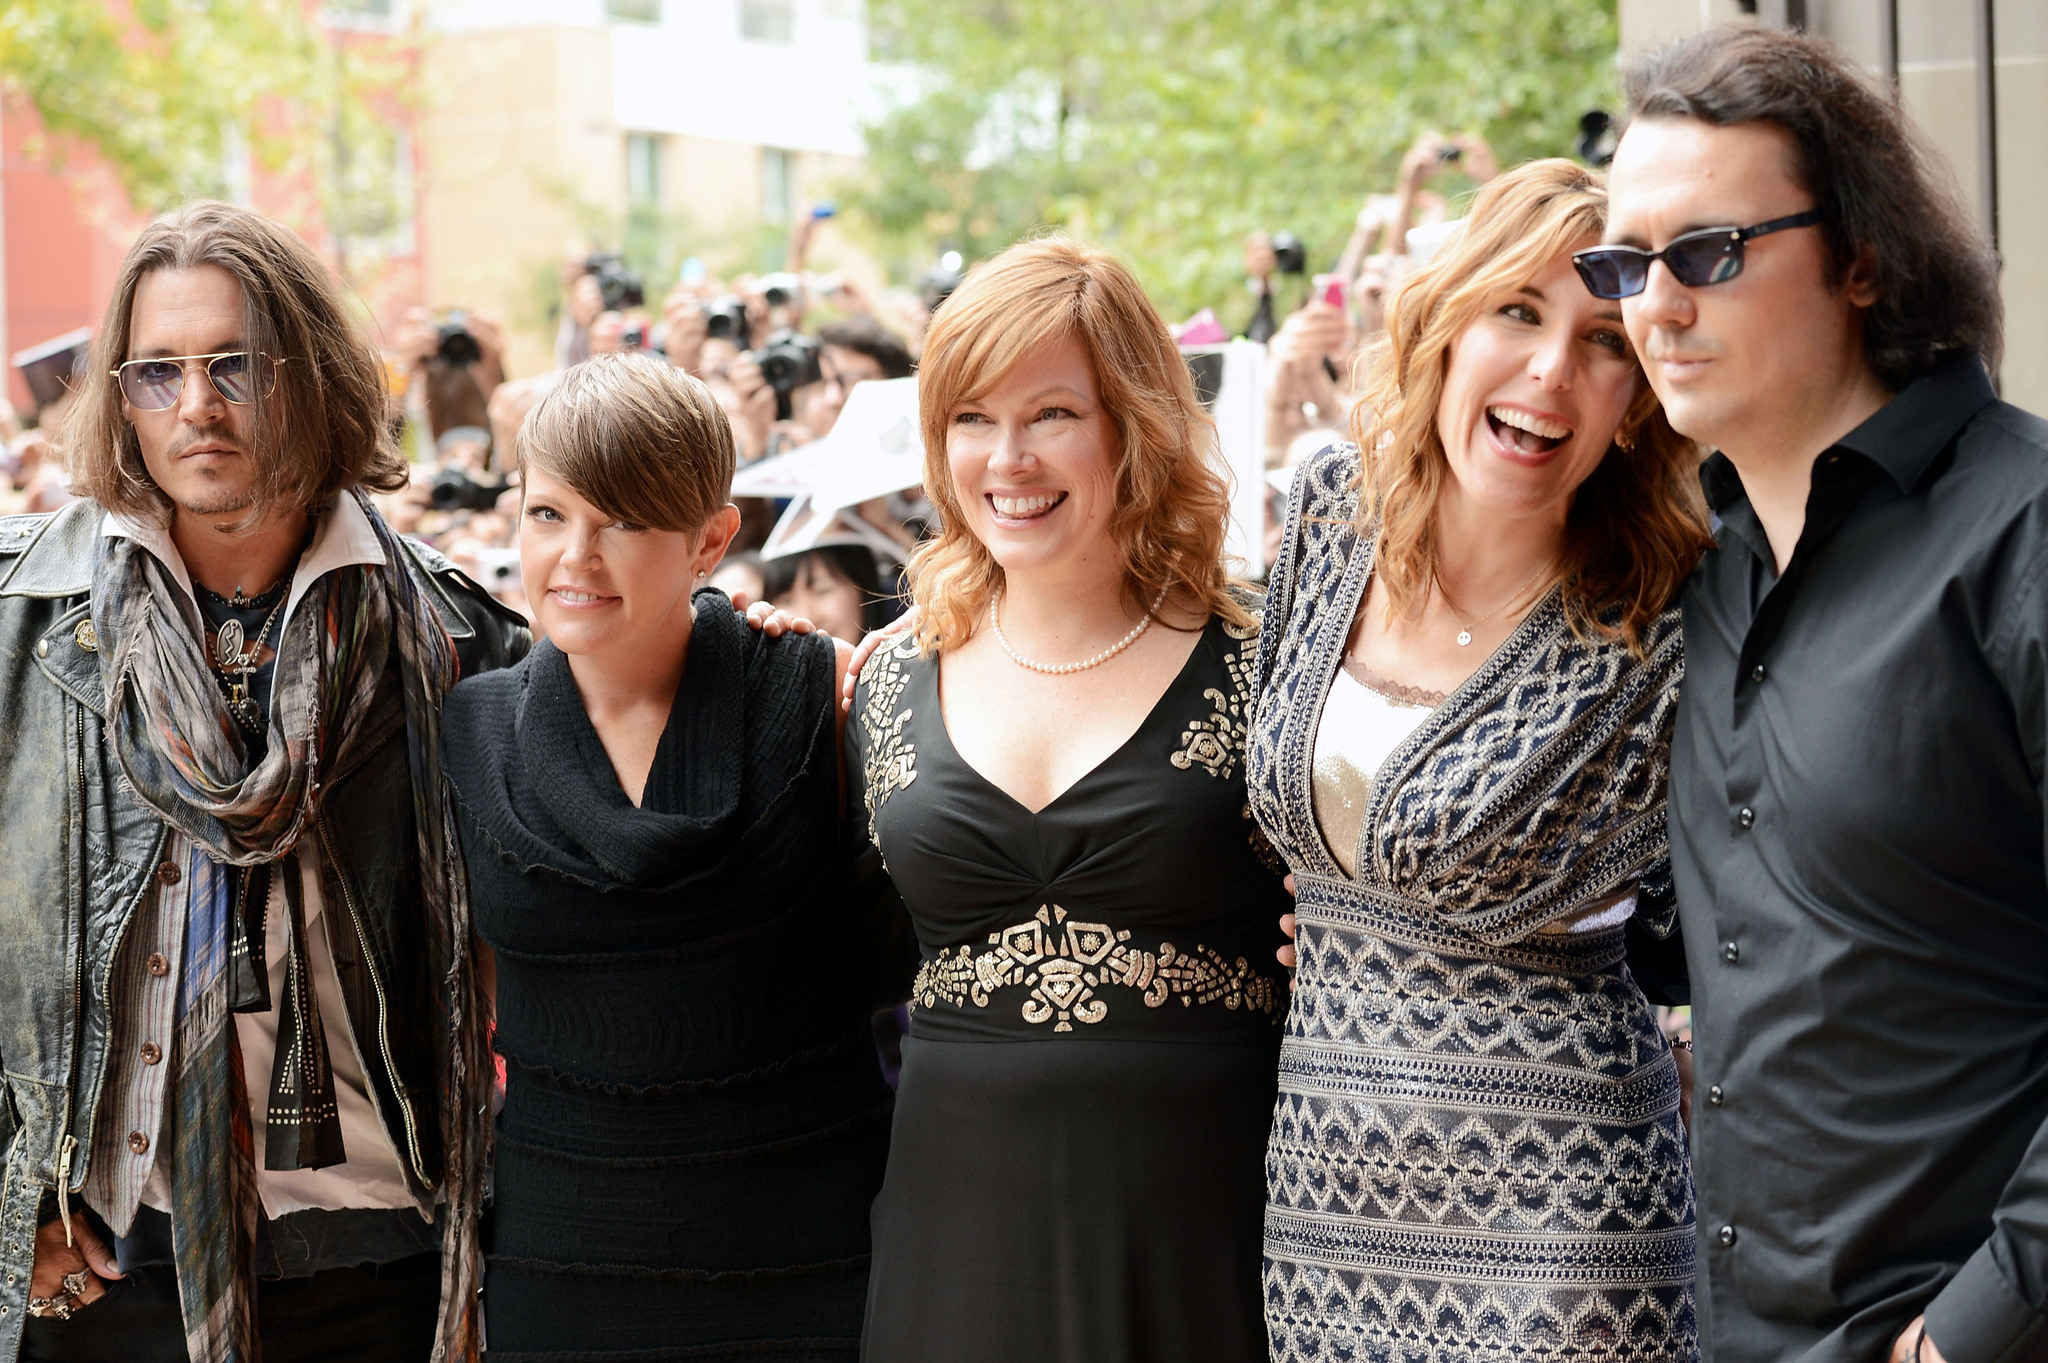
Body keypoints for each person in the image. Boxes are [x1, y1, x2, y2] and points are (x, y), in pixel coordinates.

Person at [2, 200, 526, 1361]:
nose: (196, 406)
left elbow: (537, 947)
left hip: (380, 1256)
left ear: (314, 376)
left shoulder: (453, 642)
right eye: (157, 371)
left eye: (235, 364)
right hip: (97, 1263)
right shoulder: (25, 629)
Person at [1597, 26, 2039, 1363]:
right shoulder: (1708, 569)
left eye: (1709, 254)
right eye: (1626, 263)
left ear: (1861, 259)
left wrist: (1978, 1325)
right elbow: (1698, 942)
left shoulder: (2021, 531)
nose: (1655, 307)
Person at [1251, 159, 1712, 1362]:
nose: (1552, 371)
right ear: (1444, 324)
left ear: (1638, 395)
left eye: (1603, 340)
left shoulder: (1664, 614)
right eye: (1517, 310)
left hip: (1564, 1215)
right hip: (1320, 1193)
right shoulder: (1328, 516)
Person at [846, 236, 1291, 1362]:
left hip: (1205, 1223)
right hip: (954, 1221)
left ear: (1130, 425)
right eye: (969, 419)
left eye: (1051, 414)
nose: (1007, 459)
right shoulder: (885, 676)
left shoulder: (1267, 651)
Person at [439, 351, 911, 1359]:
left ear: (710, 539)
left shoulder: (815, 696)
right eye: (549, 514)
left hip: (813, 1246)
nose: (576, 557)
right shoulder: (467, 732)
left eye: (623, 521)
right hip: (562, 1252)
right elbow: (465, 995)